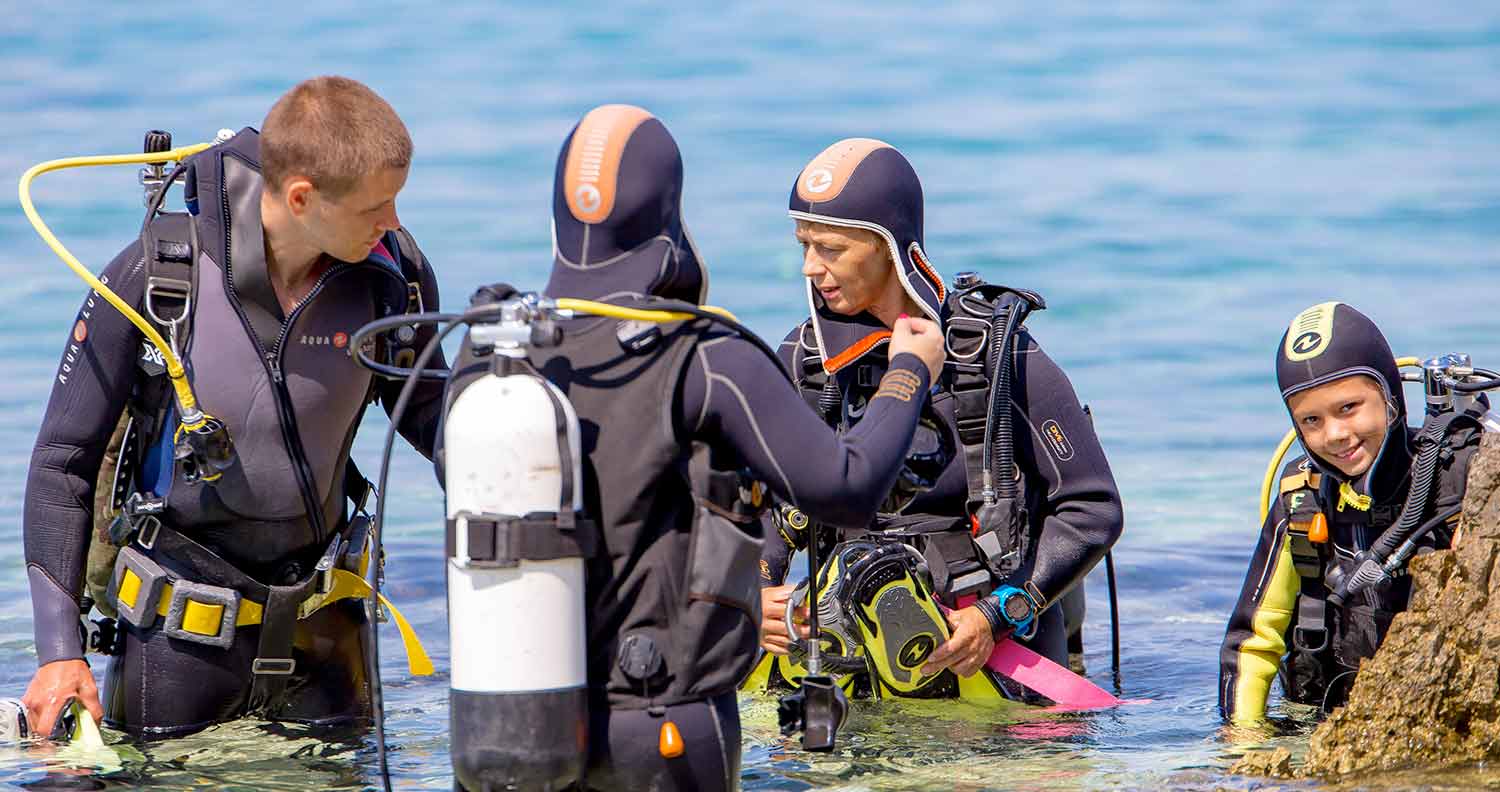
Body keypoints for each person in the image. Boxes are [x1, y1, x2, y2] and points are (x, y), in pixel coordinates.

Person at [444, 104, 944, 791]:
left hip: (508, 722)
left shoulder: (488, 351)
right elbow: (847, 487)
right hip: (664, 725)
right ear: (667, 211)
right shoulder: (706, 357)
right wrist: (909, 372)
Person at [21, 75, 446, 738]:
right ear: (303, 197)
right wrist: (59, 655)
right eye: (376, 207)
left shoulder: (392, 279)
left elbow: (432, 417)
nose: (392, 222)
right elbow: (61, 464)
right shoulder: (157, 279)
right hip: (179, 646)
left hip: (328, 638)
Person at [755, 138, 1124, 700]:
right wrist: (755, 594)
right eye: (804, 245)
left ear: (888, 247)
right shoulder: (805, 363)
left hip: (997, 661)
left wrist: (998, 614)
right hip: (852, 663)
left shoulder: (996, 355)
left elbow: (1092, 508)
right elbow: (761, 508)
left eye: (830, 248)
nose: (810, 267)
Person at [1219, 302, 1481, 725]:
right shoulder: (1302, 497)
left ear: (1390, 396)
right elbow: (1252, 644)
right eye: (1311, 420)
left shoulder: (1457, 483)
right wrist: (1242, 751)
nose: (1335, 434)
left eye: (1348, 408)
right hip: (1325, 724)